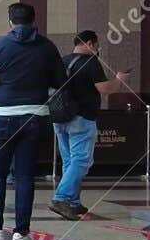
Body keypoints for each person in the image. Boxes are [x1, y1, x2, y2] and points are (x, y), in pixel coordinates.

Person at [0, 2, 65, 240]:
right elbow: (60, 81)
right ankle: (22, 234)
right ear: (34, 20)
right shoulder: (47, 47)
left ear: (10, 21)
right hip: (35, 116)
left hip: (3, 116)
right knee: (25, 176)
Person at [49, 31, 130, 221]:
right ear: (90, 43)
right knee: (81, 161)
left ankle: (73, 202)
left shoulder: (62, 61)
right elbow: (105, 89)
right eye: (97, 45)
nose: (98, 49)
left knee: (69, 162)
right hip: (82, 118)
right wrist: (119, 80)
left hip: (59, 117)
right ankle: (61, 198)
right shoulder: (90, 62)